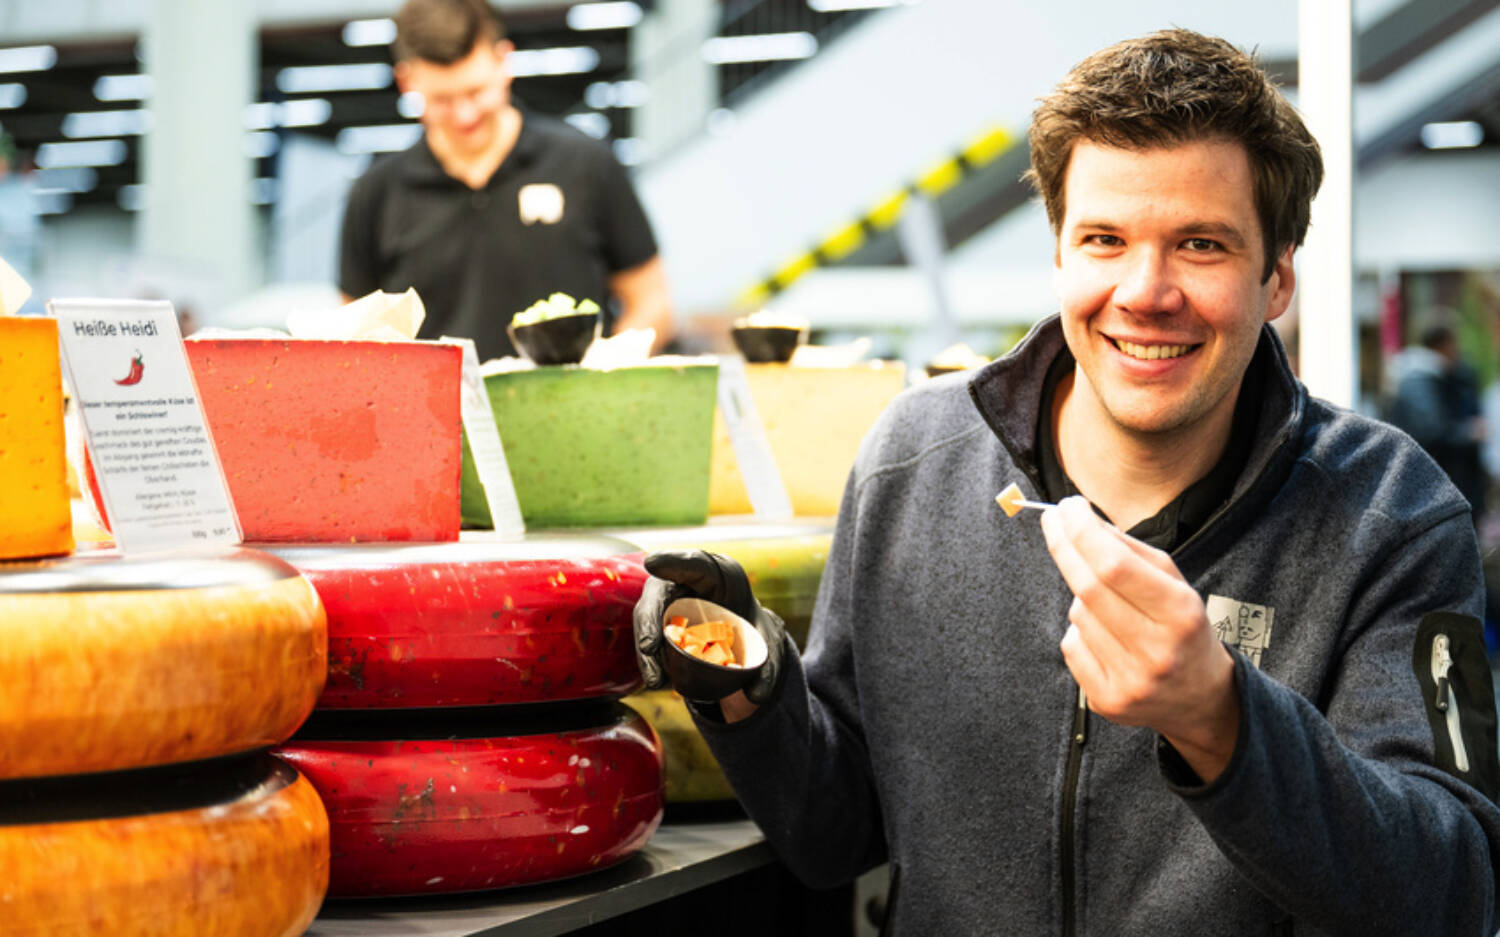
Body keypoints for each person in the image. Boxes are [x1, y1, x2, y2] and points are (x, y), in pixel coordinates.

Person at [633, 29, 1500, 935]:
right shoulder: (913, 465)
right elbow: (839, 829)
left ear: (1276, 275)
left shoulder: (1391, 516)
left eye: (1200, 244)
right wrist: (750, 687)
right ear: (1059, 252)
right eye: (1104, 239)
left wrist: (1223, 719)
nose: (1144, 290)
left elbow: (1451, 893)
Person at [338, 0, 672, 360]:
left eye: (475, 92)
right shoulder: (376, 194)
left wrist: (612, 365)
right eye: (442, 100)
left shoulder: (586, 165)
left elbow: (651, 302)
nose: (464, 115)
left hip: (573, 410)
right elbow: (355, 336)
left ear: (503, 61)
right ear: (406, 81)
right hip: (438, 415)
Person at [1386, 321, 1488, 526]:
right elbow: (1431, 431)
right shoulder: (1420, 381)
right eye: (1454, 343)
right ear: (1443, 345)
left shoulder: (1436, 377)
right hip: (1431, 489)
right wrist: (1468, 433)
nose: (1457, 350)